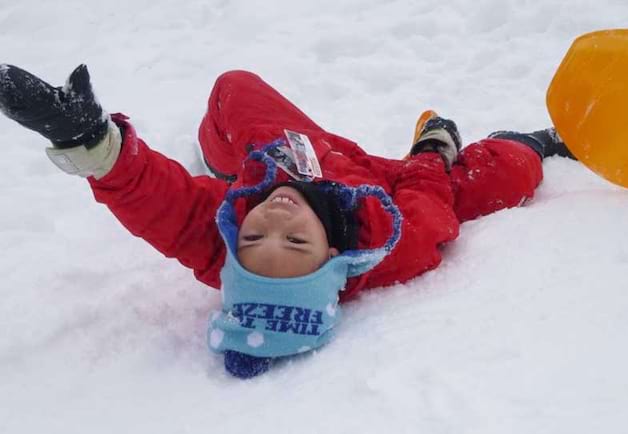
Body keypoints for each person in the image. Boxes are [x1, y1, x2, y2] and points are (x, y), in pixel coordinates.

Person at [0, 65, 575, 378]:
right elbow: (430, 197)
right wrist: (434, 147)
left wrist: (91, 144)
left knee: (234, 87)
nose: (274, 219)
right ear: (332, 257)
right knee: (509, 174)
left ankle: (218, 148)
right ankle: (523, 141)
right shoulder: (398, 242)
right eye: (295, 239)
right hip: (388, 181)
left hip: (295, 156)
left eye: (254, 236)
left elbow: (155, 200)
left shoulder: (229, 233)